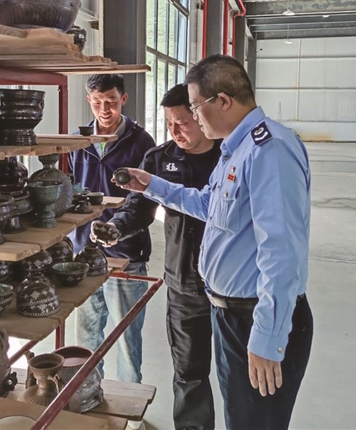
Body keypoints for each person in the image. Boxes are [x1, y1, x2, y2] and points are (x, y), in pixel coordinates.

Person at [114, 55, 314, 430]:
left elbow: (281, 251)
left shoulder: (268, 150)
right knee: (238, 416)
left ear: (223, 101)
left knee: (255, 423)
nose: (193, 116)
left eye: (195, 107)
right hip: (231, 313)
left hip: (255, 316)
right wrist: (153, 185)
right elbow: (210, 205)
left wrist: (268, 337)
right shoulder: (235, 149)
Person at [95, 83, 221, 430]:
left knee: (238, 372)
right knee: (189, 373)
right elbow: (138, 208)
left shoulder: (231, 157)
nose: (175, 132)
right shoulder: (160, 159)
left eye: (183, 123)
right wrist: (116, 227)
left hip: (231, 286)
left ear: (202, 116)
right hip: (184, 283)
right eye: (169, 124)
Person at [68, 73, 156, 388]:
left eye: (112, 102)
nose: (105, 109)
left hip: (126, 252)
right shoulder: (77, 142)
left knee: (127, 337)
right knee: (87, 336)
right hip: (84, 252)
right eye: (98, 102)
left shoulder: (141, 142)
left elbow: (146, 199)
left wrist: (119, 228)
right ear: (89, 100)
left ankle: (130, 403)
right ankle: (89, 393)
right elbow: (67, 188)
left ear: (123, 100)